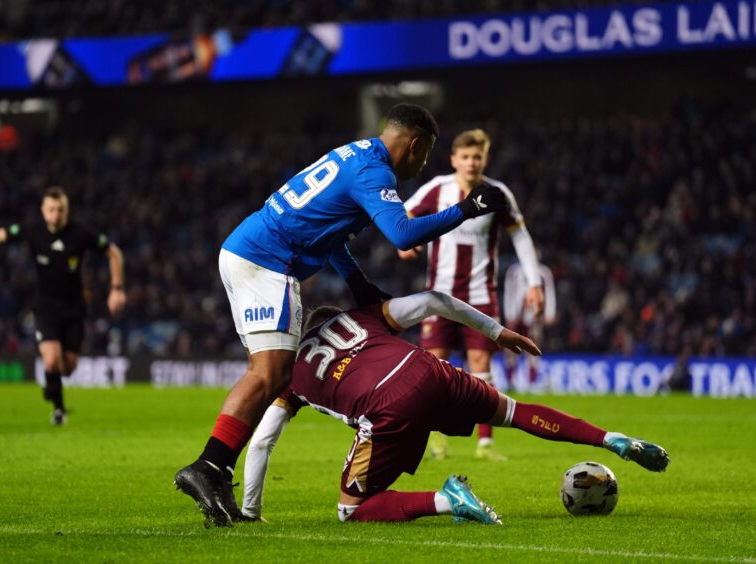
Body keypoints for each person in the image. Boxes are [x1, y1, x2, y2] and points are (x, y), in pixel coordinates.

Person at [174, 104, 511, 527]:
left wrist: (358, 284)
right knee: (270, 374)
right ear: (416, 143)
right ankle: (209, 466)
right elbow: (402, 233)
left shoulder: (355, 154)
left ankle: (217, 470)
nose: (422, 163)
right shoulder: (375, 173)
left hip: (249, 251)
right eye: (424, 155)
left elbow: (330, 235)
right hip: (267, 261)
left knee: (274, 375)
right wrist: (466, 208)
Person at [239, 291, 670, 523]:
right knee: (513, 412)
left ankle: (447, 500)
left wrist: (251, 512)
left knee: (352, 510)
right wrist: (497, 332)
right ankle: (611, 438)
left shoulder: (286, 369)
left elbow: (261, 444)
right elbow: (434, 300)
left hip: (387, 406)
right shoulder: (364, 317)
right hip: (429, 369)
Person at [399, 128, 543, 462]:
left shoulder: (497, 193)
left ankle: (485, 443)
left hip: (481, 294)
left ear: (485, 159)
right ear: (454, 160)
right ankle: (436, 439)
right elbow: (403, 212)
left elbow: (520, 236)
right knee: (436, 366)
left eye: (477, 156)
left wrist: (534, 282)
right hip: (439, 295)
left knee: (481, 364)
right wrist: (403, 244)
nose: (471, 162)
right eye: (465, 156)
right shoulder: (438, 189)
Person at [0, 186, 126, 424]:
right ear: (43, 210)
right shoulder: (34, 231)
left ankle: (52, 386)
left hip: (74, 308)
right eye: (51, 209)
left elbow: (113, 252)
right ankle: (59, 409)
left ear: (67, 211)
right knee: (51, 360)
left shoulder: (81, 234)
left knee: (68, 368)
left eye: (60, 209)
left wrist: (116, 288)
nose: (56, 214)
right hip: (45, 307)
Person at [503, 262, 557, 390]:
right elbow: (508, 292)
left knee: (534, 348)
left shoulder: (543, 272)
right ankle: (510, 382)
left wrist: (549, 313)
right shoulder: (514, 271)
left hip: (534, 317)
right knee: (511, 350)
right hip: (515, 317)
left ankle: (532, 382)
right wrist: (509, 314)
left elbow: (549, 292)